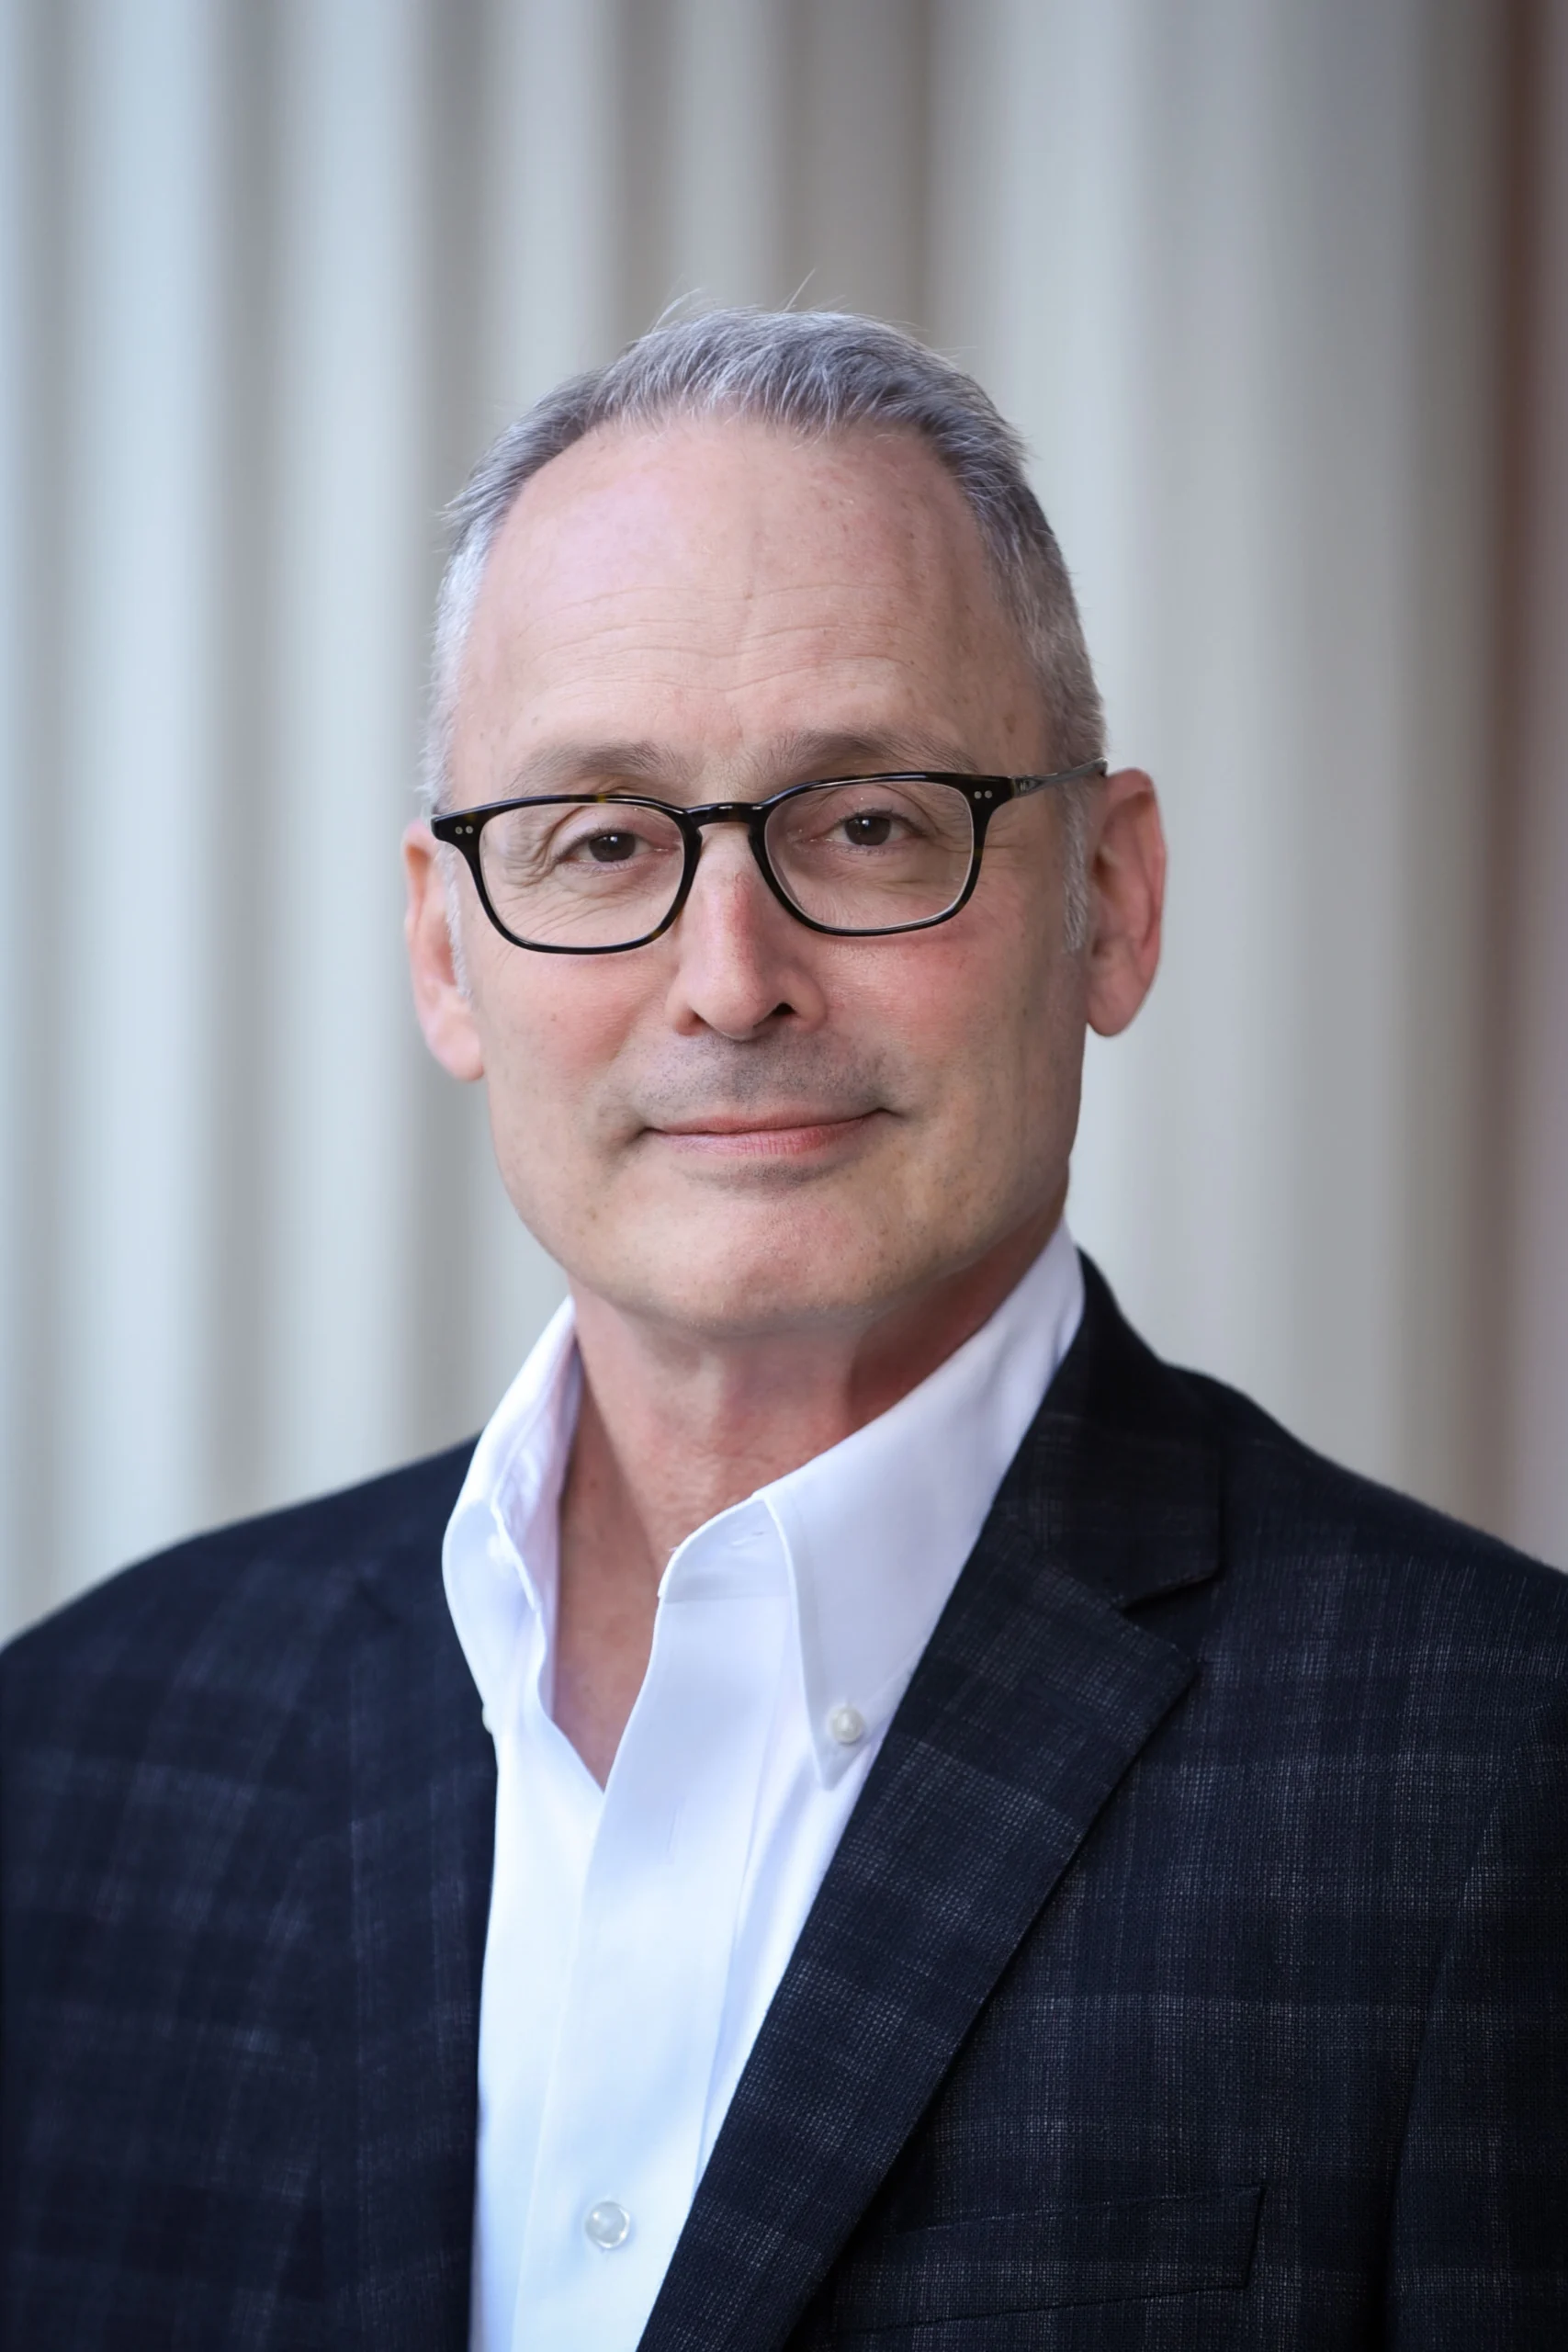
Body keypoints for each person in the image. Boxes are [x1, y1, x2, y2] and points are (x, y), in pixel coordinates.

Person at [3, 310, 1565, 2352]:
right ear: (445, 951)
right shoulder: (73, 1757)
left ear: (1109, 898)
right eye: (601, 841)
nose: (729, 978)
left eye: (871, 822)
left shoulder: (1496, 1783)